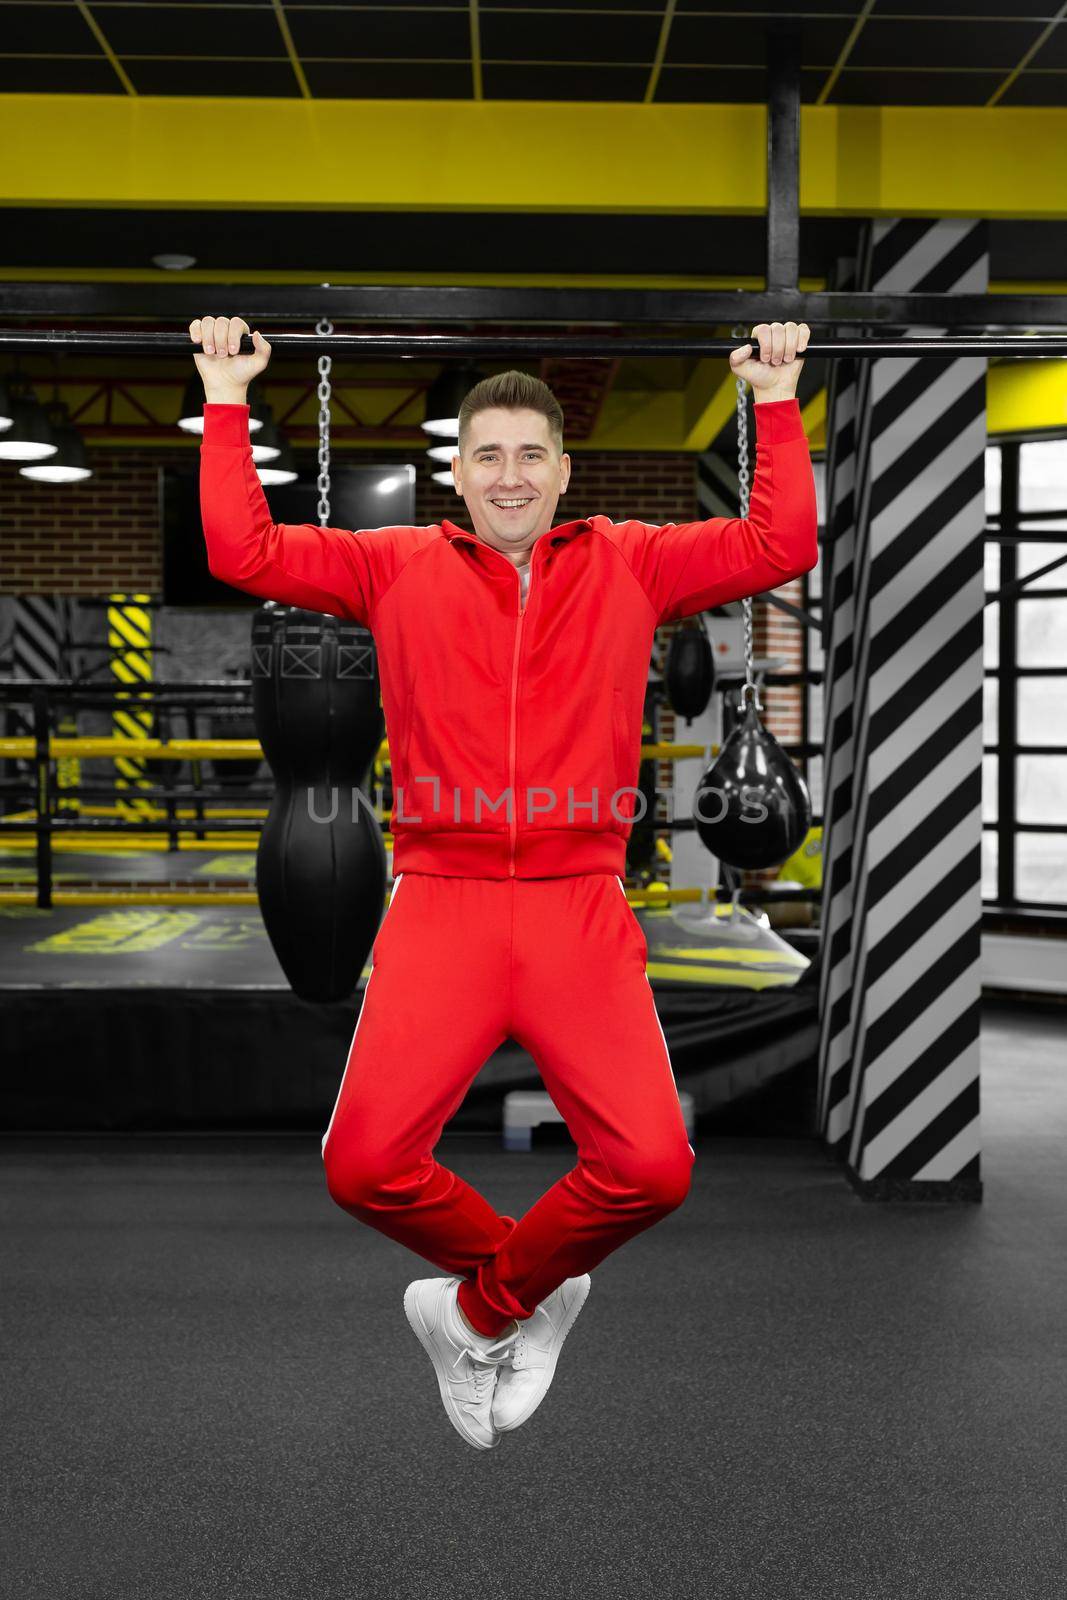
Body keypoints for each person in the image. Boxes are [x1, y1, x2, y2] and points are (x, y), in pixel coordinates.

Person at [191, 316, 817, 1450]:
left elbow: (778, 544)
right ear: (457, 471)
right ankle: (534, 1282)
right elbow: (243, 550)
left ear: (563, 471)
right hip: (442, 898)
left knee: (648, 1167)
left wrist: (773, 399)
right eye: (489, 454)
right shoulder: (393, 566)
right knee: (365, 1164)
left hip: (577, 900)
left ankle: (480, 1306)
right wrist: (227, 395)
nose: (510, 474)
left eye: (532, 454)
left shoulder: (630, 559)